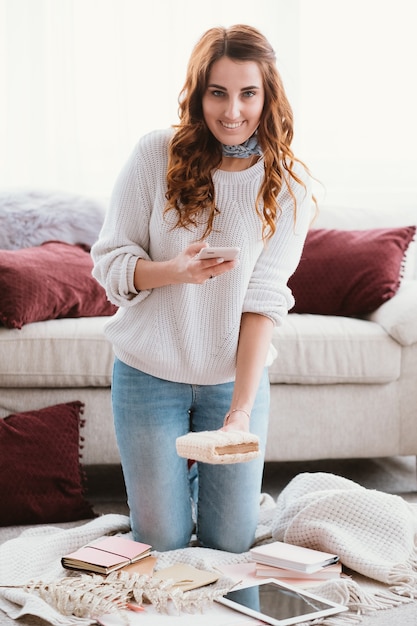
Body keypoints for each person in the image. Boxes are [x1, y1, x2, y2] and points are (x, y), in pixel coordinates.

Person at [91, 24, 313, 554]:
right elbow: (109, 262)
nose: (233, 110)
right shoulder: (155, 155)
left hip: (231, 383)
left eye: (247, 93)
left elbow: (263, 302)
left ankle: (193, 489)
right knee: (162, 543)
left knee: (231, 544)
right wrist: (174, 271)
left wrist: (238, 412)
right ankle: (170, 496)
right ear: (198, 94)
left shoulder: (287, 189)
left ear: (268, 95)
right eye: (218, 92)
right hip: (149, 374)